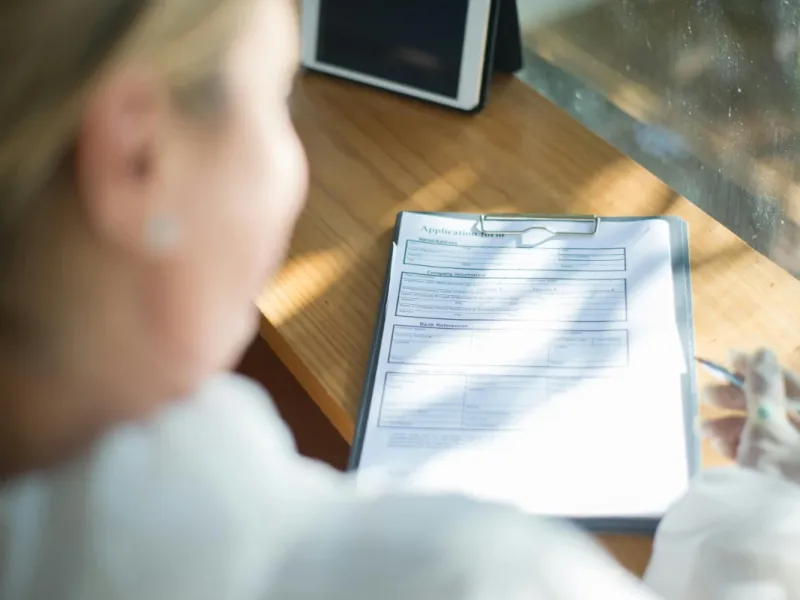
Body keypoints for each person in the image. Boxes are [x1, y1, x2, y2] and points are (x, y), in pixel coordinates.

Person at [0, 1, 797, 599]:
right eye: (278, 99)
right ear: (139, 158)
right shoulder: (464, 576)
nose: (297, 161)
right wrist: (763, 519)